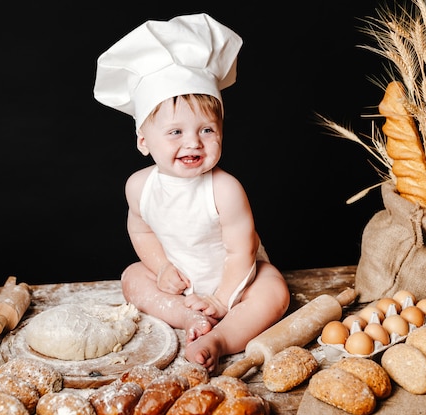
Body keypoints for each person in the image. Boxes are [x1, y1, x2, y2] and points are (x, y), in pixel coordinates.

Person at [93, 13, 290, 373]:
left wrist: (221, 297)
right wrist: (162, 266)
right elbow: (141, 231)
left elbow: (241, 250)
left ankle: (221, 336)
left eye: (206, 130)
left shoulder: (225, 190)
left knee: (274, 290)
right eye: (175, 132)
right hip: (180, 285)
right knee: (132, 277)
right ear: (143, 140)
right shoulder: (139, 187)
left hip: (236, 280)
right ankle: (188, 318)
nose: (192, 143)